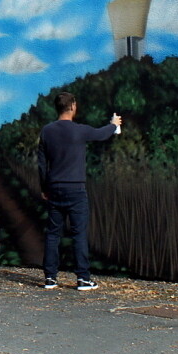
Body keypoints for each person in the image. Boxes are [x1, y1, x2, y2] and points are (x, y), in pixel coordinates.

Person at [37, 91, 121, 291]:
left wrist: (44, 188)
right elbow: (101, 134)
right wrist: (114, 124)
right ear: (73, 106)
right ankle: (83, 278)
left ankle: (50, 278)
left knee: (53, 234)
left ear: (57, 107)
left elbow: (41, 164)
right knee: (78, 234)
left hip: (54, 188)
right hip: (75, 189)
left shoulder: (47, 131)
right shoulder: (80, 130)